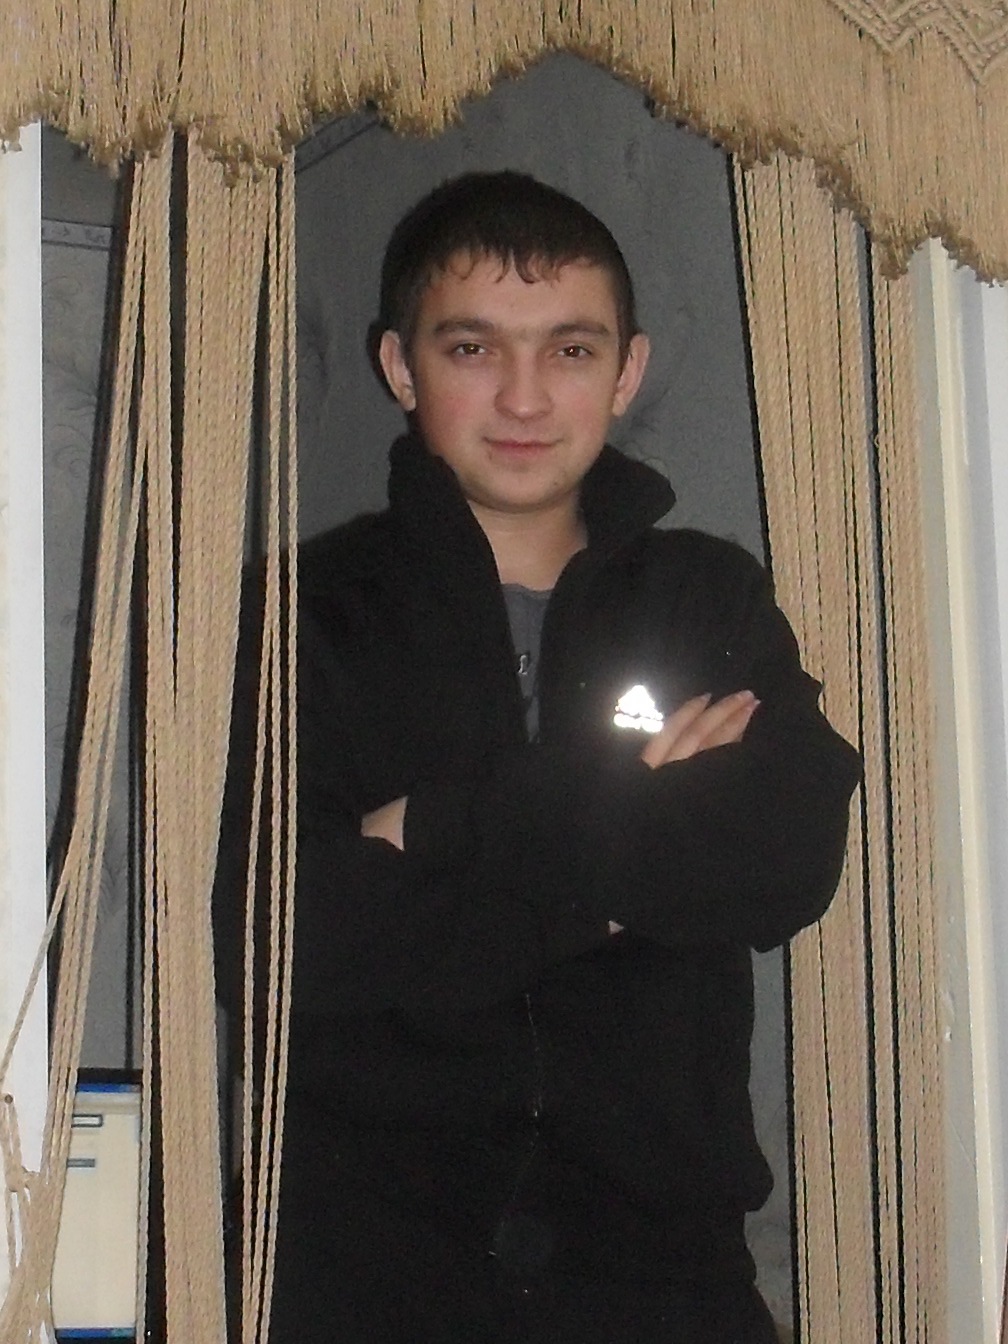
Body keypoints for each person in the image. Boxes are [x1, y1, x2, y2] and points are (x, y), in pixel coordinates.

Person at [216, 171, 861, 1343]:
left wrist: (430, 829)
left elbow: (780, 862)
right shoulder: (297, 615)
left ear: (626, 370)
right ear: (400, 365)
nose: (523, 396)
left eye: (570, 350)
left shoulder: (707, 598)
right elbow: (278, 938)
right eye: (473, 348)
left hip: (668, 1279)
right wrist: (626, 848)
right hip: (366, 1281)